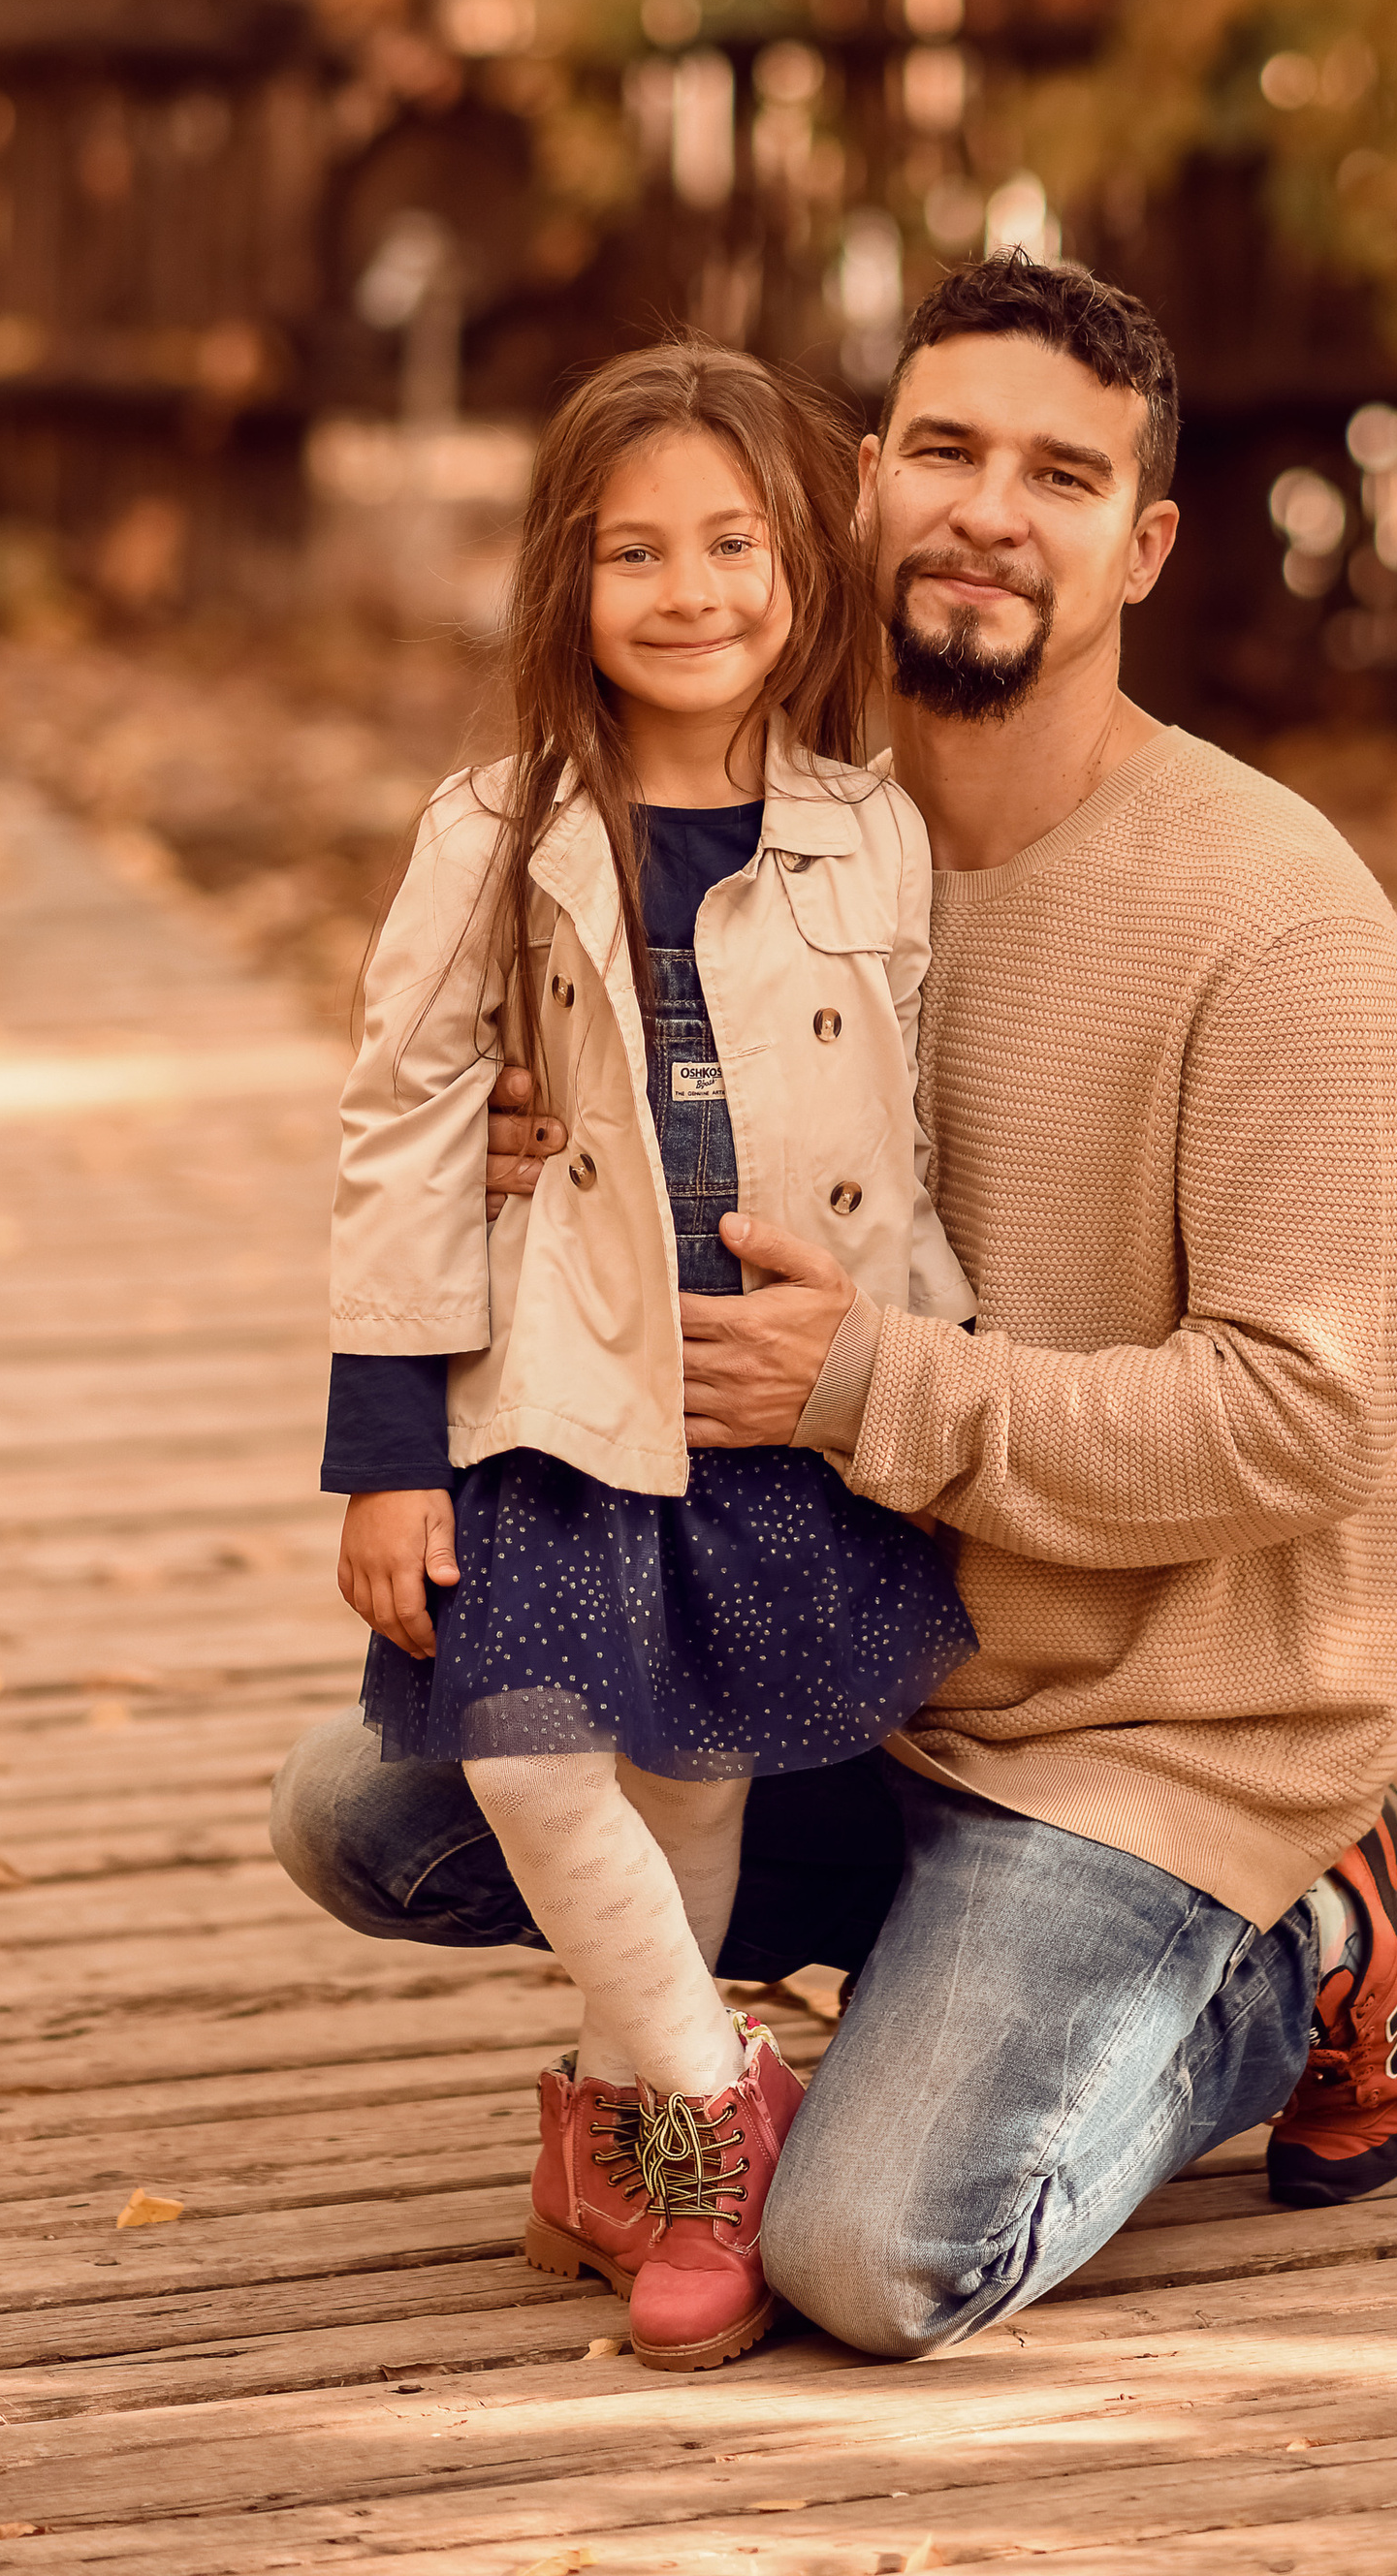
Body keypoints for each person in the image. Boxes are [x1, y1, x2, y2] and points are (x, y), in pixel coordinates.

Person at [274, 252, 1397, 2363]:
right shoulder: (780, 822)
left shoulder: (1276, 924)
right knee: (375, 1813)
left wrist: (868, 1385)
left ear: (1144, 544)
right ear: (856, 485)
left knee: (865, 2257)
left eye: (1062, 477)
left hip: (1134, 1730)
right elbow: (469, 1079)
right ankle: (865, 1991)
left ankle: (1302, 1953)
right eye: (946, 451)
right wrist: (541, 1159)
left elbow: (1306, 1425)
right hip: (835, 1631)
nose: (991, 510)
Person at [321, 339, 975, 2372]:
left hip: (771, 1396)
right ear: (565, 584)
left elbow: (927, 1115)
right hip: (552, 1386)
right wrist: (384, 1446)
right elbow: (404, 1114)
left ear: (800, 565)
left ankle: (605, 2145)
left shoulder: (873, 836)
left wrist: (924, 1370)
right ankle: (711, 2108)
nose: (689, 593)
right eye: (635, 555)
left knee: (692, 1777)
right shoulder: (497, 832)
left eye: (732, 544)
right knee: (527, 1748)